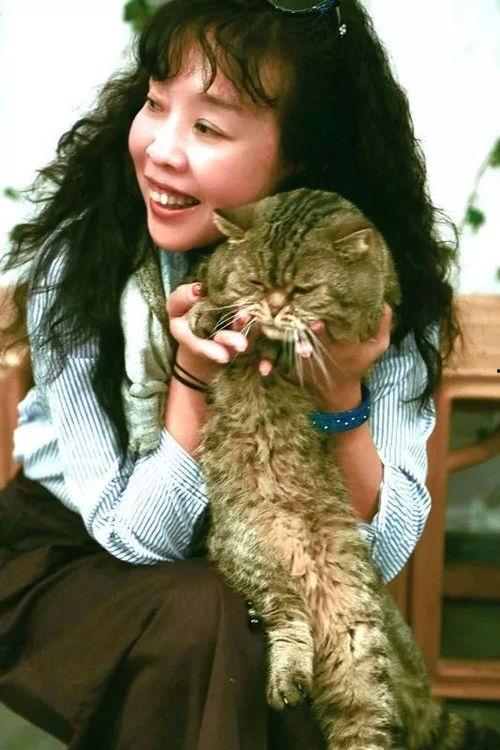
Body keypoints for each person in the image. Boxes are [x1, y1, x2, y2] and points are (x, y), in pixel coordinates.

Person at [0, 0, 461, 747]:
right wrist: (192, 376)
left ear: (301, 154)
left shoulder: (365, 283)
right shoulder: (82, 262)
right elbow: (136, 537)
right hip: (74, 555)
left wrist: (341, 396)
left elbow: (373, 557)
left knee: (263, 634)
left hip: (267, 562)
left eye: (208, 127)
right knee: (216, 622)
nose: (161, 150)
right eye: (155, 104)